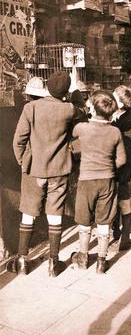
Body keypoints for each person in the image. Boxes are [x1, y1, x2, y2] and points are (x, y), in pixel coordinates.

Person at [11, 71, 87, 277]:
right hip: (59, 170)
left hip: (33, 170)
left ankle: (22, 261)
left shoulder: (31, 108)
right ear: (65, 91)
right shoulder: (69, 109)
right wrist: (75, 92)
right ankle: (54, 263)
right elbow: (84, 110)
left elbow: (18, 141)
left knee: (28, 213)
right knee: (55, 214)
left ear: (47, 87)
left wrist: (23, 162)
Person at [71, 90, 126, 273]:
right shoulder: (115, 131)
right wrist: (108, 167)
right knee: (104, 220)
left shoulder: (82, 128)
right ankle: (102, 261)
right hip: (107, 180)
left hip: (86, 180)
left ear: (93, 110)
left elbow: (70, 141)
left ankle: (83, 256)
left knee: (84, 220)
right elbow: (122, 160)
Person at [111, 85, 131, 250]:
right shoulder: (121, 116)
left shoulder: (124, 121)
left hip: (121, 164)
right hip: (124, 163)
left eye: (114, 96)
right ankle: (118, 232)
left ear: (120, 102)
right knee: (121, 198)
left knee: (122, 198)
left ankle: (124, 236)